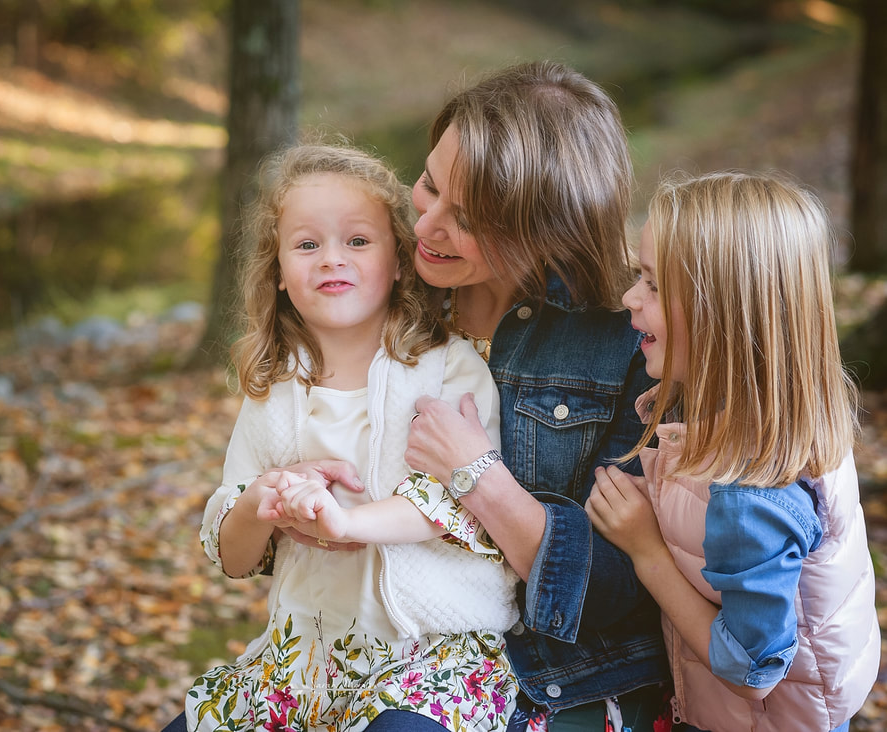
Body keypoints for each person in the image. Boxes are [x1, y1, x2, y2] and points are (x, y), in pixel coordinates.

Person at [170, 141, 523, 732]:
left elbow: (454, 500)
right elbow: (233, 554)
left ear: (399, 261)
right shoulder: (275, 392)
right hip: (304, 665)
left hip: (431, 659)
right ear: (278, 272)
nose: (332, 259)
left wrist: (349, 523)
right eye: (307, 245)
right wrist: (265, 499)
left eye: (357, 241)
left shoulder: (447, 368)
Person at [396, 60, 671, 730]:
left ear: (548, 232)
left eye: (465, 218)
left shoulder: (630, 343)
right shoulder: (391, 298)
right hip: (381, 653)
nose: (426, 226)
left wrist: (478, 476)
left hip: (546, 685)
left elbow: (616, 585)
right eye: (429, 184)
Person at [584, 171, 879, 732]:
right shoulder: (782, 419)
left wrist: (645, 549)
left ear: (718, 312)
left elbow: (751, 669)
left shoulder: (751, 494)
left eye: (650, 283)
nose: (629, 297)